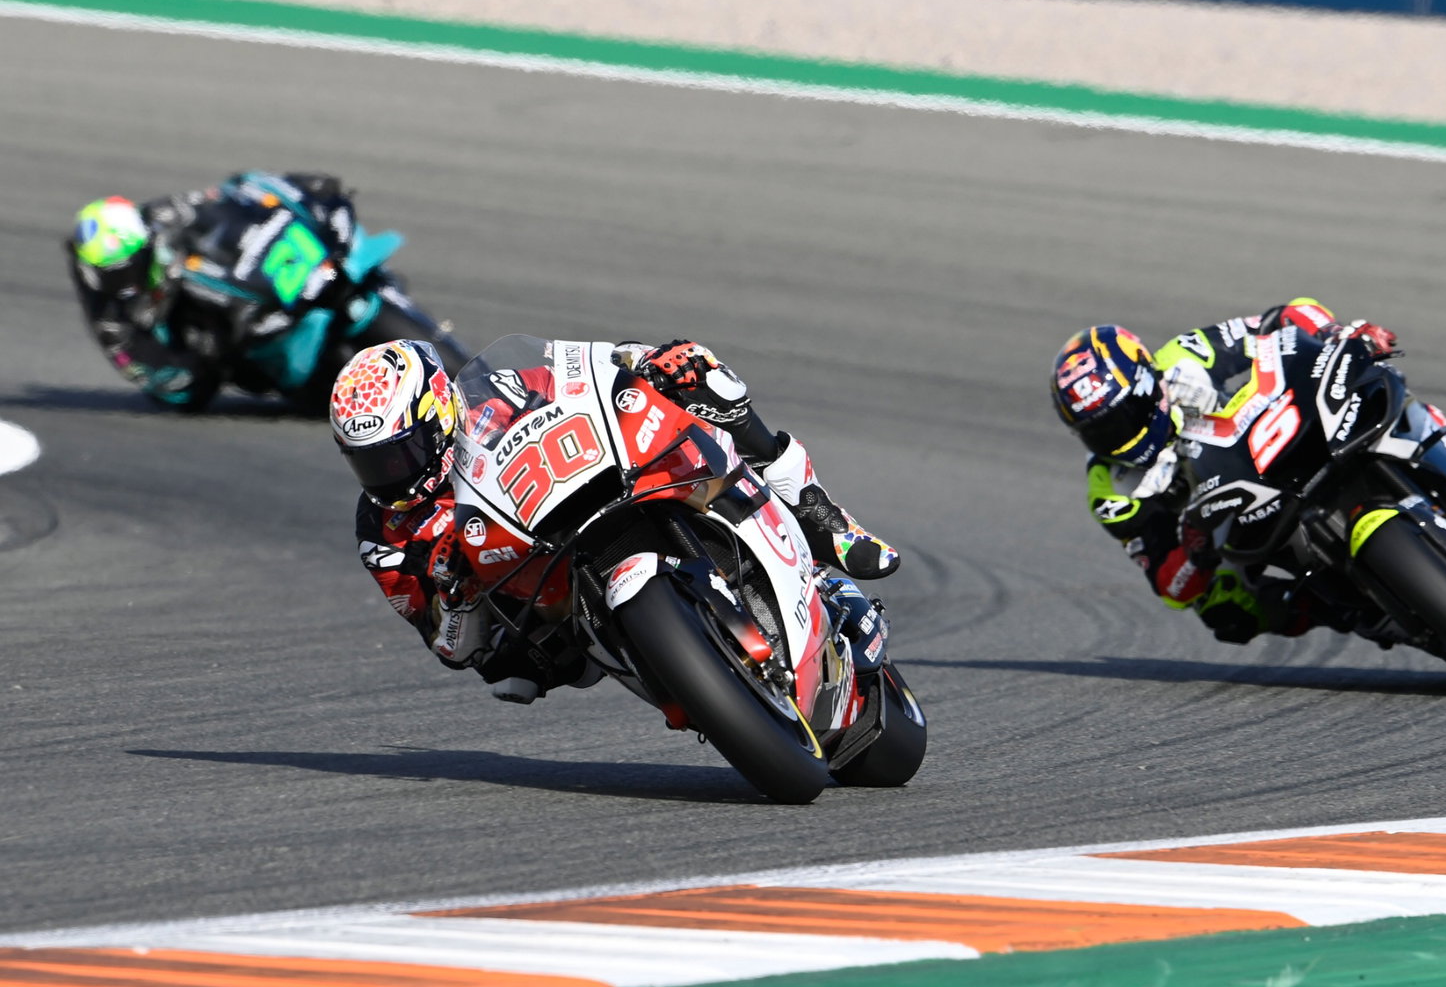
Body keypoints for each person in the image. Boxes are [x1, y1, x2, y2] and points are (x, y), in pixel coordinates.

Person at [329, 337, 898, 703]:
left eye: (397, 455)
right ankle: (687, 674)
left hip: (593, 494)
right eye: (368, 464)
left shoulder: (498, 394)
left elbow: (587, 374)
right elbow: (449, 649)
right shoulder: (384, 532)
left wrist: (646, 362)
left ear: (437, 412)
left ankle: (815, 511)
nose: (389, 477)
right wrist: (455, 598)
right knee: (509, 674)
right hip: (540, 602)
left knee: (698, 374)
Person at [1050, 298, 1446, 644]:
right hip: (1235, 529)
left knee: (1378, 386)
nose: (1118, 438)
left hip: (1277, 445)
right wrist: (1194, 554)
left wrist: (1337, 333)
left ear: (1147, 380)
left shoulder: (1185, 358)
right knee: (1226, 611)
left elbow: (1281, 319)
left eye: (1123, 416)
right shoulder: (1110, 491)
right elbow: (1169, 586)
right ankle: (1360, 612)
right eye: (1099, 432)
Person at [66, 171, 350, 411]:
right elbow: (149, 373)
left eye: (128, 269)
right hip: (209, 339)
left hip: (245, 270)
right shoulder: (109, 315)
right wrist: (192, 368)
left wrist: (275, 196)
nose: (124, 281)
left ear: (145, 244)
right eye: (113, 275)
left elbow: (224, 197)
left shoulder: (162, 216)